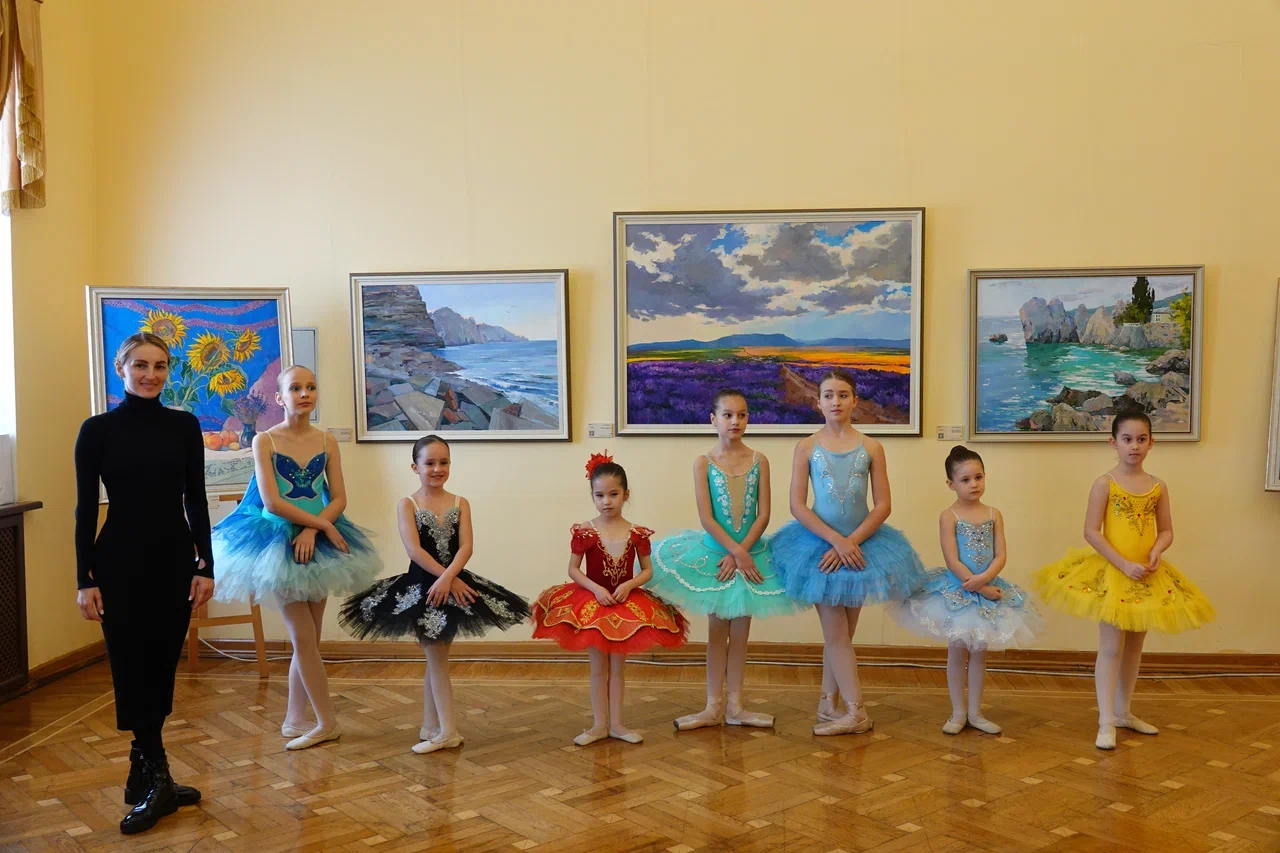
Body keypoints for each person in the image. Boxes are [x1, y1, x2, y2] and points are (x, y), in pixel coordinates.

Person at [74, 332, 213, 834]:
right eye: (140, 365)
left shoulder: (184, 426)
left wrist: (205, 566)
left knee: (160, 665)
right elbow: (85, 508)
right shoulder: (97, 430)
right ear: (122, 369)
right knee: (131, 666)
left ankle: (149, 773)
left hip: (174, 561)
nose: (150, 375)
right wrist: (84, 577)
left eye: (159, 366)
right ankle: (158, 776)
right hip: (118, 565)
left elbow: (196, 499)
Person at [211, 365, 383, 750]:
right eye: (295, 388)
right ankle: (327, 722)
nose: (304, 394)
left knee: (309, 641)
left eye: (311, 387)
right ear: (279, 398)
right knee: (303, 638)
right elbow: (272, 502)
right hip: (277, 541)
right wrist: (318, 527)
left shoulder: (326, 440)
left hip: (316, 540)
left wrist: (315, 529)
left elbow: (338, 498)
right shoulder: (265, 440)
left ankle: (294, 718)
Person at [340, 435, 529, 754]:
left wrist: (450, 579)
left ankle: (437, 727)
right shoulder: (408, 504)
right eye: (430, 463)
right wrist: (444, 579)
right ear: (415, 467)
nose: (438, 468)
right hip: (422, 590)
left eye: (444, 462)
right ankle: (444, 730)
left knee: (437, 659)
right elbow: (414, 550)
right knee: (436, 659)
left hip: (456, 586)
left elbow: (466, 546)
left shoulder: (460, 502)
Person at [1035, 412, 1214, 749]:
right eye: (1127, 439)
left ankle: (1123, 712)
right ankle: (1105, 722)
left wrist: (1157, 550)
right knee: (1111, 646)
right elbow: (1091, 532)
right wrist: (1123, 564)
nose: (1135, 446)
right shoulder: (1105, 483)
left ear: (1151, 442)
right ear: (1113, 442)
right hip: (1113, 573)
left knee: (1134, 646)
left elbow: (1166, 530)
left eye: (1141, 439)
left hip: (1146, 574)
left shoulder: (1158, 486)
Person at [770, 369, 926, 736]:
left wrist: (851, 541)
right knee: (837, 635)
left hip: (863, 547)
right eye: (828, 395)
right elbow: (797, 505)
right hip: (819, 550)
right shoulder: (806, 447)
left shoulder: (871, 447)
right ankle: (857, 712)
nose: (835, 401)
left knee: (841, 637)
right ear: (818, 402)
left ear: (855, 400)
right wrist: (836, 542)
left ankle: (829, 702)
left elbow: (883, 505)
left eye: (843, 395)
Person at [650, 389, 795, 730]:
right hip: (715, 558)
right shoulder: (703, 462)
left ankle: (736, 707)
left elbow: (763, 514)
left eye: (742, 415)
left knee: (741, 633)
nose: (735, 421)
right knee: (717, 632)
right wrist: (734, 552)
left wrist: (743, 553)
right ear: (713, 419)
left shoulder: (759, 460)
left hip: (751, 556)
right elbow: (707, 517)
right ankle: (712, 707)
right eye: (728, 415)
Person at [531, 453, 688, 745]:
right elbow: (573, 569)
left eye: (613, 494)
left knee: (618, 667)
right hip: (593, 604)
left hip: (625, 604)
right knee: (598, 667)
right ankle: (598, 725)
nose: (606, 501)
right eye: (599, 495)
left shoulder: (637, 533)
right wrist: (595, 589)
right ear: (592, 495)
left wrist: (629, 585)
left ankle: (617, 724)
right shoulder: (585, 531)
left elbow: (648, 570)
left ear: (626, 494)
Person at [890, 445, 1043, 735]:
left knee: (980, 653)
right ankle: (958, 712)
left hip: (988, 587)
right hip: (957, 589)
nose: (974, 484)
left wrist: (985, 582)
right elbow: (951, 559)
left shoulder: (994, 514)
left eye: (979, 477)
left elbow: (1000, 555)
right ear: (951, 484)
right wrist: (978, 586)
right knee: (958, 651)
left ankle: (976, 713)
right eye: (966, 480)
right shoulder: (949, 516)